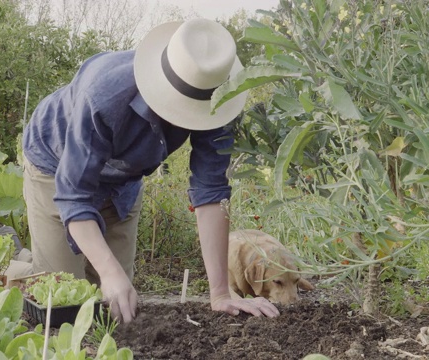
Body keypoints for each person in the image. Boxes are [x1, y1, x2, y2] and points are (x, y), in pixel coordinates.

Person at [22, 18, 280, 323]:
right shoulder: (103, 97)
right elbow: (73, 196)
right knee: (63, 301)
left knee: (117, 304)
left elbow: (210, 192)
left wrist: (221, 293)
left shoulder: (216, 98)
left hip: (123, 181)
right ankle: (19, 270)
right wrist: (109, 271)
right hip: (55, 169)